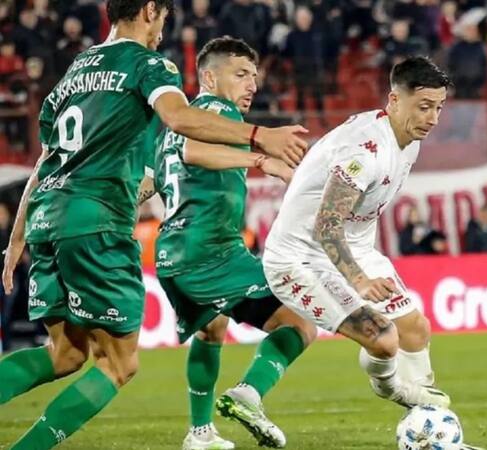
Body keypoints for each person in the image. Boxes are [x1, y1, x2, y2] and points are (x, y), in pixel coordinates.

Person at [0, 1, 308, 448]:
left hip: (48, 219)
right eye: (163, 15)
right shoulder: (148, 65)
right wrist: (262, 137)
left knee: (65, 355)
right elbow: (180, 121)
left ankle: (200, 432)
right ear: (148, 10)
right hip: (97, 224)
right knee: (118, 365)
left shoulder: (74, 73)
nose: (164, 27)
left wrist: (16, 241)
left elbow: (46, 161)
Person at [141, 36, 318, 450]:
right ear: (208, 77)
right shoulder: (213, 112)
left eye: (254, 76)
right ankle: (249, 394)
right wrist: (262, 159)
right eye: (240, 75)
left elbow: (155, 178)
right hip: (210, 250)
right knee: (300, 321)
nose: (251, 85)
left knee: (211, 331)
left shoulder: (173, 126)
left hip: (173, 251)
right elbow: (193, 149)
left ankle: (200, 432)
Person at [262, 57, 452, 418]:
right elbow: (327, 225)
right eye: (424, 107)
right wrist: (359, 280)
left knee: (414, 329)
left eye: (439, 107)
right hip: (298, 259)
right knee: (383, 339)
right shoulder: (364, 152)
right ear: (394, 100)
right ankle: (397, 390)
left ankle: (429, 427)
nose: (433, 118)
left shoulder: (409, 139)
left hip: (356, 249)